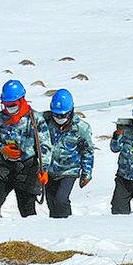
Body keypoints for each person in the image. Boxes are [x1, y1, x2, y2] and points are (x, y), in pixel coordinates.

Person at [0, 79, 51, 226]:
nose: (9, 108)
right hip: (5, 166)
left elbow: (45, 147)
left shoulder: (35, 119)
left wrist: (44, 169)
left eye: (12, 105)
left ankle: (32, 236)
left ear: (21, 100)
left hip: (28, 169)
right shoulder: (0, 118)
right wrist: (2, 149)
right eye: (6, 105)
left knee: (27, 211)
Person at [43, 89, 94, 218]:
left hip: (69, 170)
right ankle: (55, 226)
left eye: (62, 115)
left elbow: (87, 151)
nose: (59, 118)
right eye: (56, 115)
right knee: (52, 202)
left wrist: (86, 173)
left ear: (70, 111)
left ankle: (67, 224)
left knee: (61, 199)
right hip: (50, 170)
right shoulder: (45, 122)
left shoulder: (81, 128)